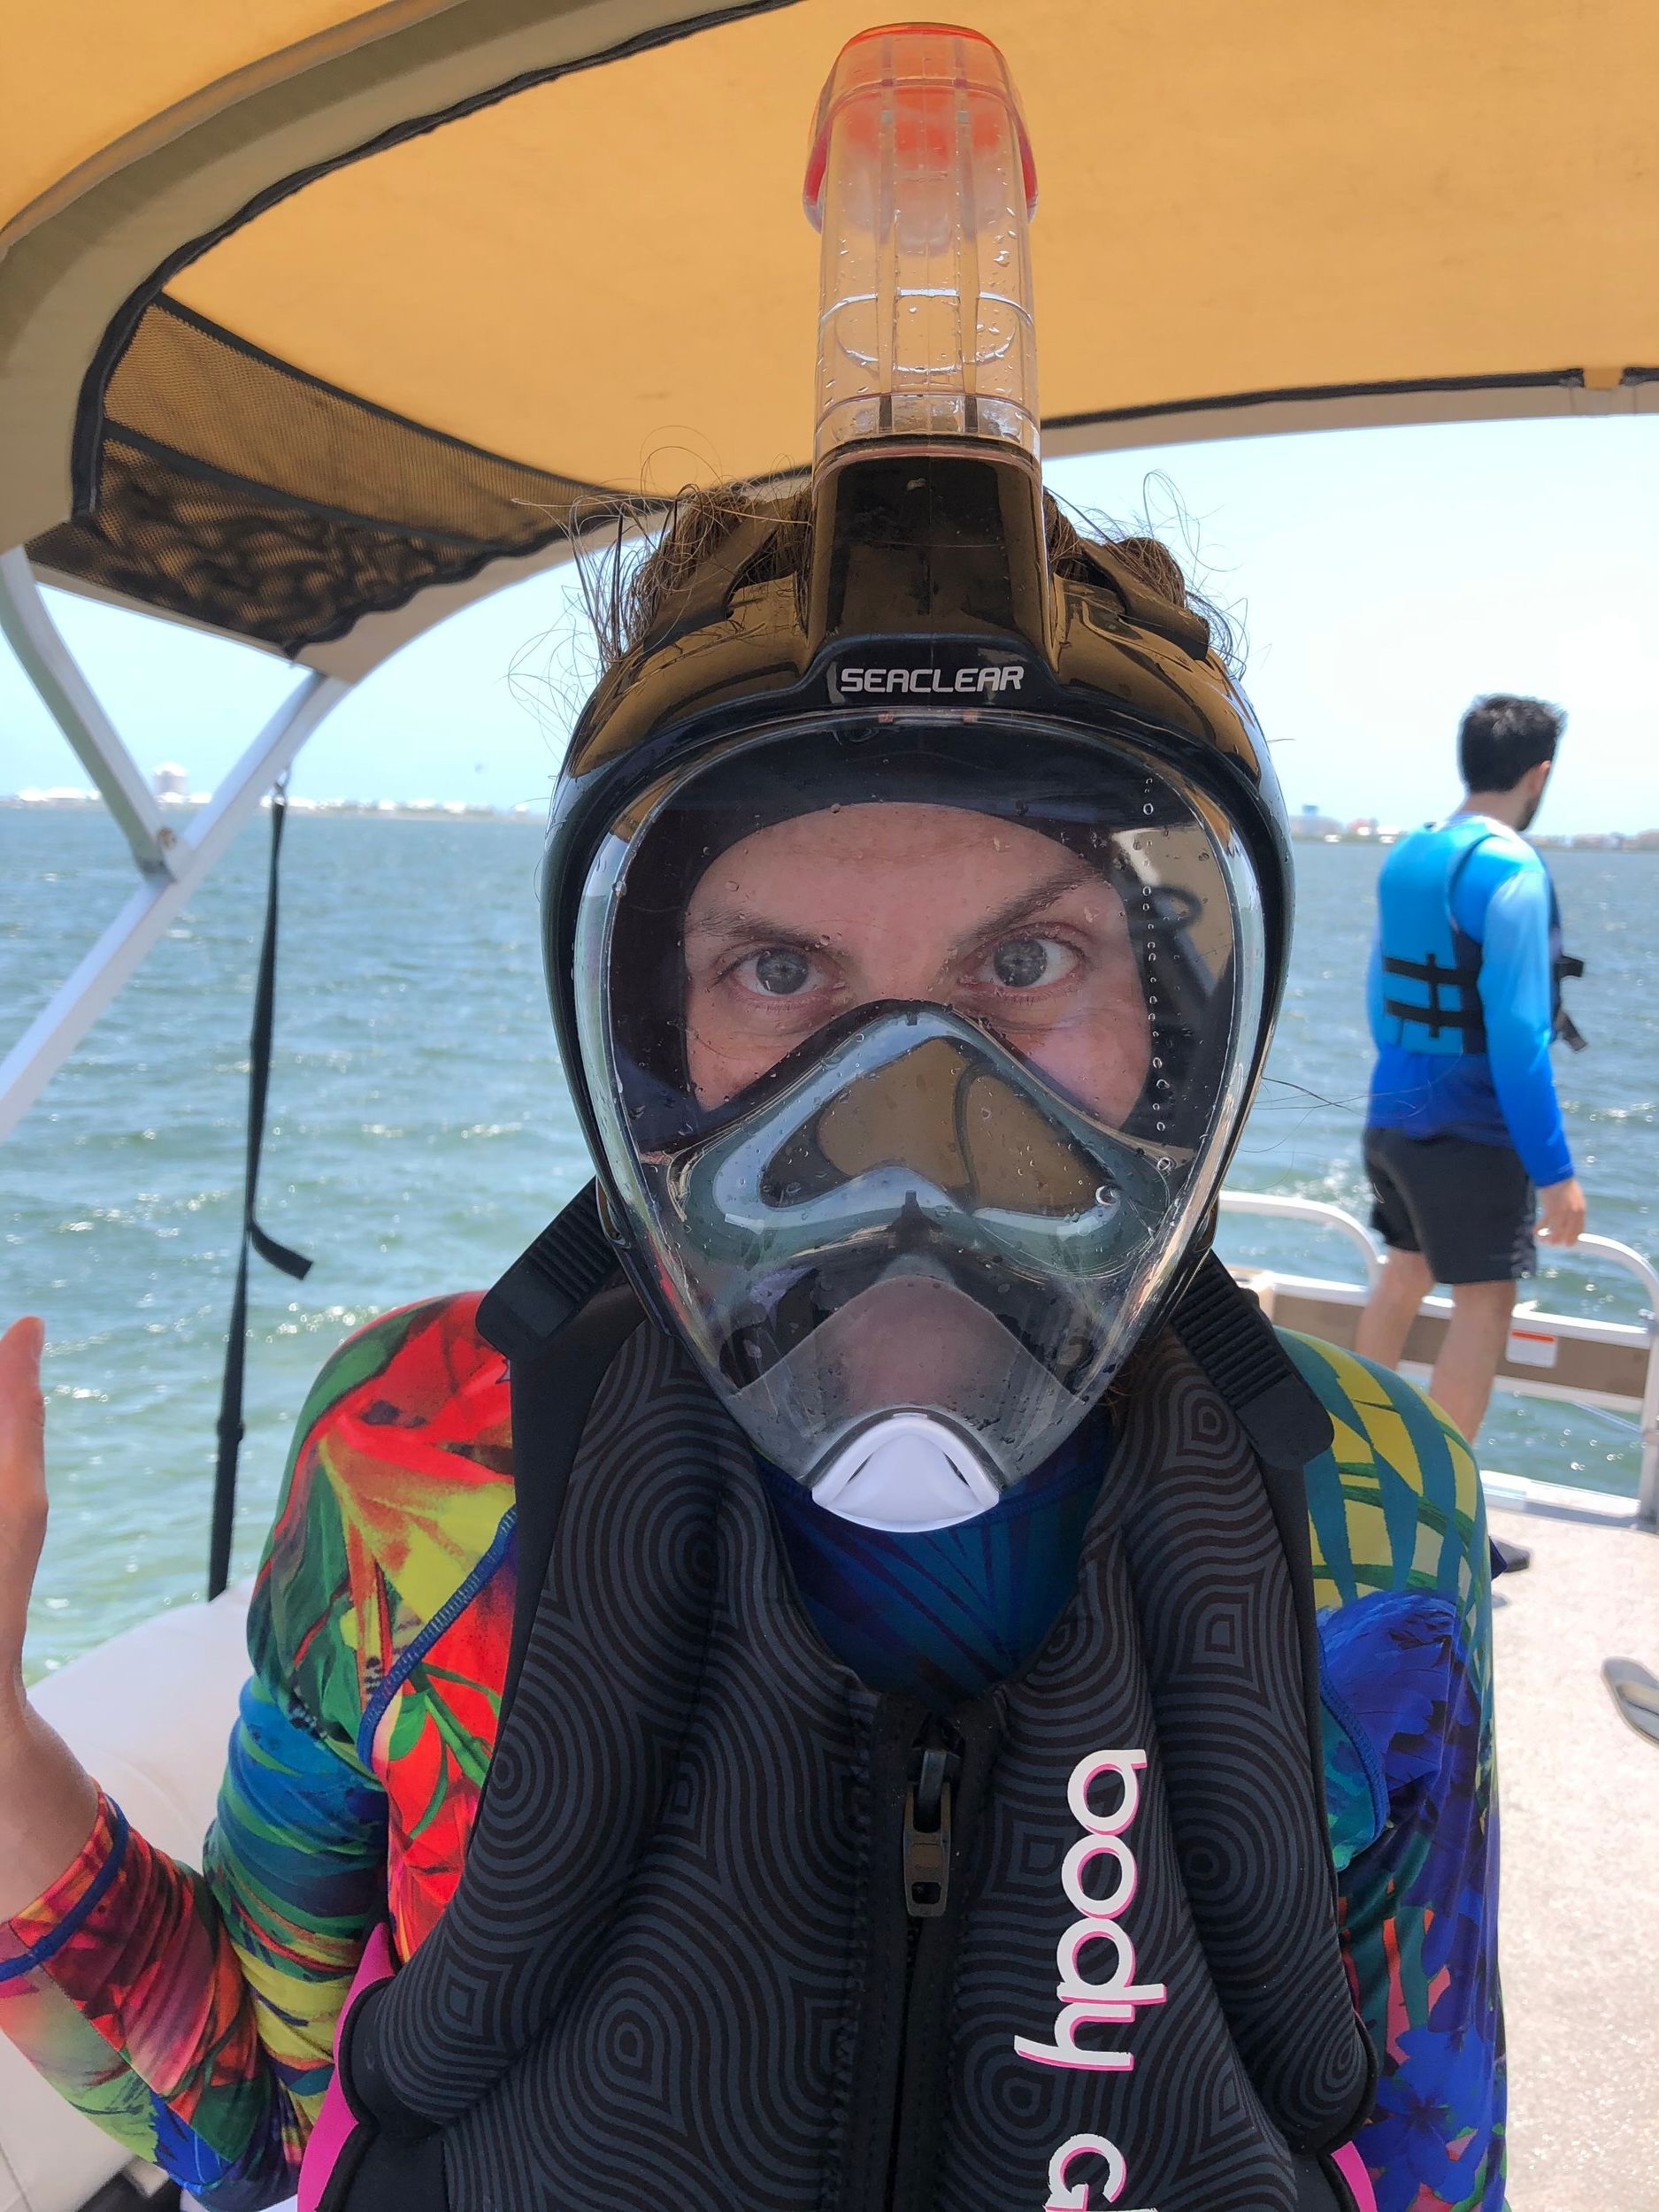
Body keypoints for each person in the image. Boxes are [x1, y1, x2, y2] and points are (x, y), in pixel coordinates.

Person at [0, 27, 1502, 2212]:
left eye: (1022, 969)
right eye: (780, 977)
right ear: (642, 1035)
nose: (907, 1134)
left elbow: (1424, 2157)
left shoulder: (1351, 1527)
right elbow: (264, 2115)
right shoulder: (426, 1465)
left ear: (1172, 1030)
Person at [1356, 694, 1586, 1444]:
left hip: (1390, 1117)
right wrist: (1555, 1172)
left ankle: (1347, 1472)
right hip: (1470, 1132)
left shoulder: (1411, 850)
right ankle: (1450, 1521)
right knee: (1484, 1304)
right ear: (1539, 773)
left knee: (1405, 1271)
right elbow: (1519, 1038)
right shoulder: (1509, 869)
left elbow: (1377, 992)